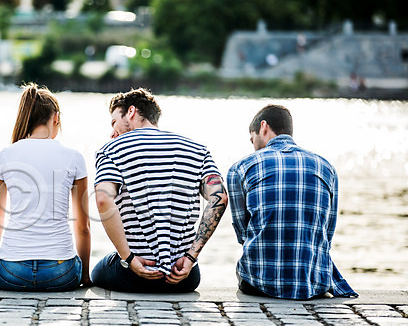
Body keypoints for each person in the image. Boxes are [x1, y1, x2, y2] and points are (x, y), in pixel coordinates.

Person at [92, 88, 228, 293]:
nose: (113, 132)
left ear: (131, 111)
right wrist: (190, 257)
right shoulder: (198, 150)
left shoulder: (112, 149)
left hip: (133, 275)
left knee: (97, 272)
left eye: (114, 122)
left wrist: (129, 258)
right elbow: (220, 197)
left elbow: (103, 199)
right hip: (184, 277)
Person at [227, 104, 358, 299]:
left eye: (252, 139)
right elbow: (327, 232)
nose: (253, 145)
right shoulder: (327, 167)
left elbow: (243, 234)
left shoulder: (240, 168)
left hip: (259, 283)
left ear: (263, 127)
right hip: (314, 283)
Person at [0, 84, 91, 291]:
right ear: (56, 118)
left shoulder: (4, 156)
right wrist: (84, 275)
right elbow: (83, 227)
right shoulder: (74, 157)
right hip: (61, 272)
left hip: (11, 271)